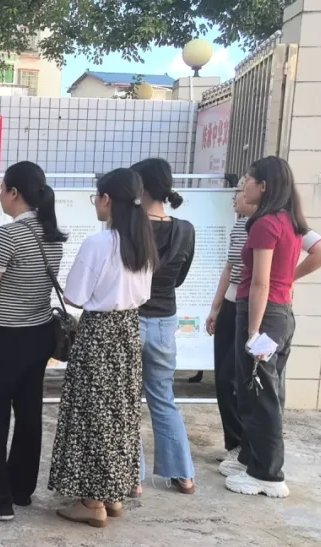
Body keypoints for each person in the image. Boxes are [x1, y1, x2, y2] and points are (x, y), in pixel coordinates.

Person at [48, 168, 157, 527]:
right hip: (128, 330)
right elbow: (145, 293)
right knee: (121, 413)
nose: (96, 202)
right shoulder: (143, 241)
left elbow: (75, 296)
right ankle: (113, 494)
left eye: (96, 196)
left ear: (107, 199)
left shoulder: (98, 243)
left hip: (99, 332)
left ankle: (91, 502)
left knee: (92, 413)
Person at [0, 161, 66, 522]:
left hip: (7, 337)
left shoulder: (8, 235)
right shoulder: (52, 234)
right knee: (29, 413)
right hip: (39, 334)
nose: (0, 195)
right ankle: (20, 488)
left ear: (14, 193)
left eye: (3, 189)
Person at [207, 189, 321, 464]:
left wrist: (287, 279)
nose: (239, 195)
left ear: (265, 188)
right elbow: (231, 268)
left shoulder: (278, 223)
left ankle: (262, 463)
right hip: (239, 306)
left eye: (245, 187)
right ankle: (242, 450)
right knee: (230, 379)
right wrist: (216, 308)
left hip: (264, 311)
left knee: (261, 388)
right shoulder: (245, 225)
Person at [220, 157, 312, 498]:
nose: (244, 185)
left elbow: (260, 282)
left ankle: (268, 475)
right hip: (280, 313)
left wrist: (253, 332)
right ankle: (250, 459)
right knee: (263, 392)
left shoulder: (265, 224)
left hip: (264, 315)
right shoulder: (289, 220)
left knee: (260, 397)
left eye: (249, 179)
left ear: (264, 186)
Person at [130, 158, 196, 496]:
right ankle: (183, 475)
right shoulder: (185, 230)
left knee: (127, 399)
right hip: (165, 321)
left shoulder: (130, 226)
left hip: (131, 319)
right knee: (163, 397)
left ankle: (132, 477)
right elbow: (179, 278)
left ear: (141, 187)